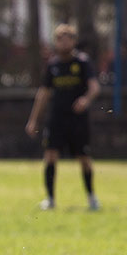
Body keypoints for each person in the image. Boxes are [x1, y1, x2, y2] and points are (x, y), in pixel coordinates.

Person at [25, 24, 101, 211]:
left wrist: (85, 99)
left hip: (77, 120)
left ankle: (91, 197)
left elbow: (94, 87)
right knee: (50, 155)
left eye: (66, 38)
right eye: (59, 38)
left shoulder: (82, 63)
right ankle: (50, 199)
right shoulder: (53, 65)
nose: (62, 42)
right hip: (57, 118)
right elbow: (43, 94)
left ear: (74, 41)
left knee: (83, 157)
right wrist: (33, 119)